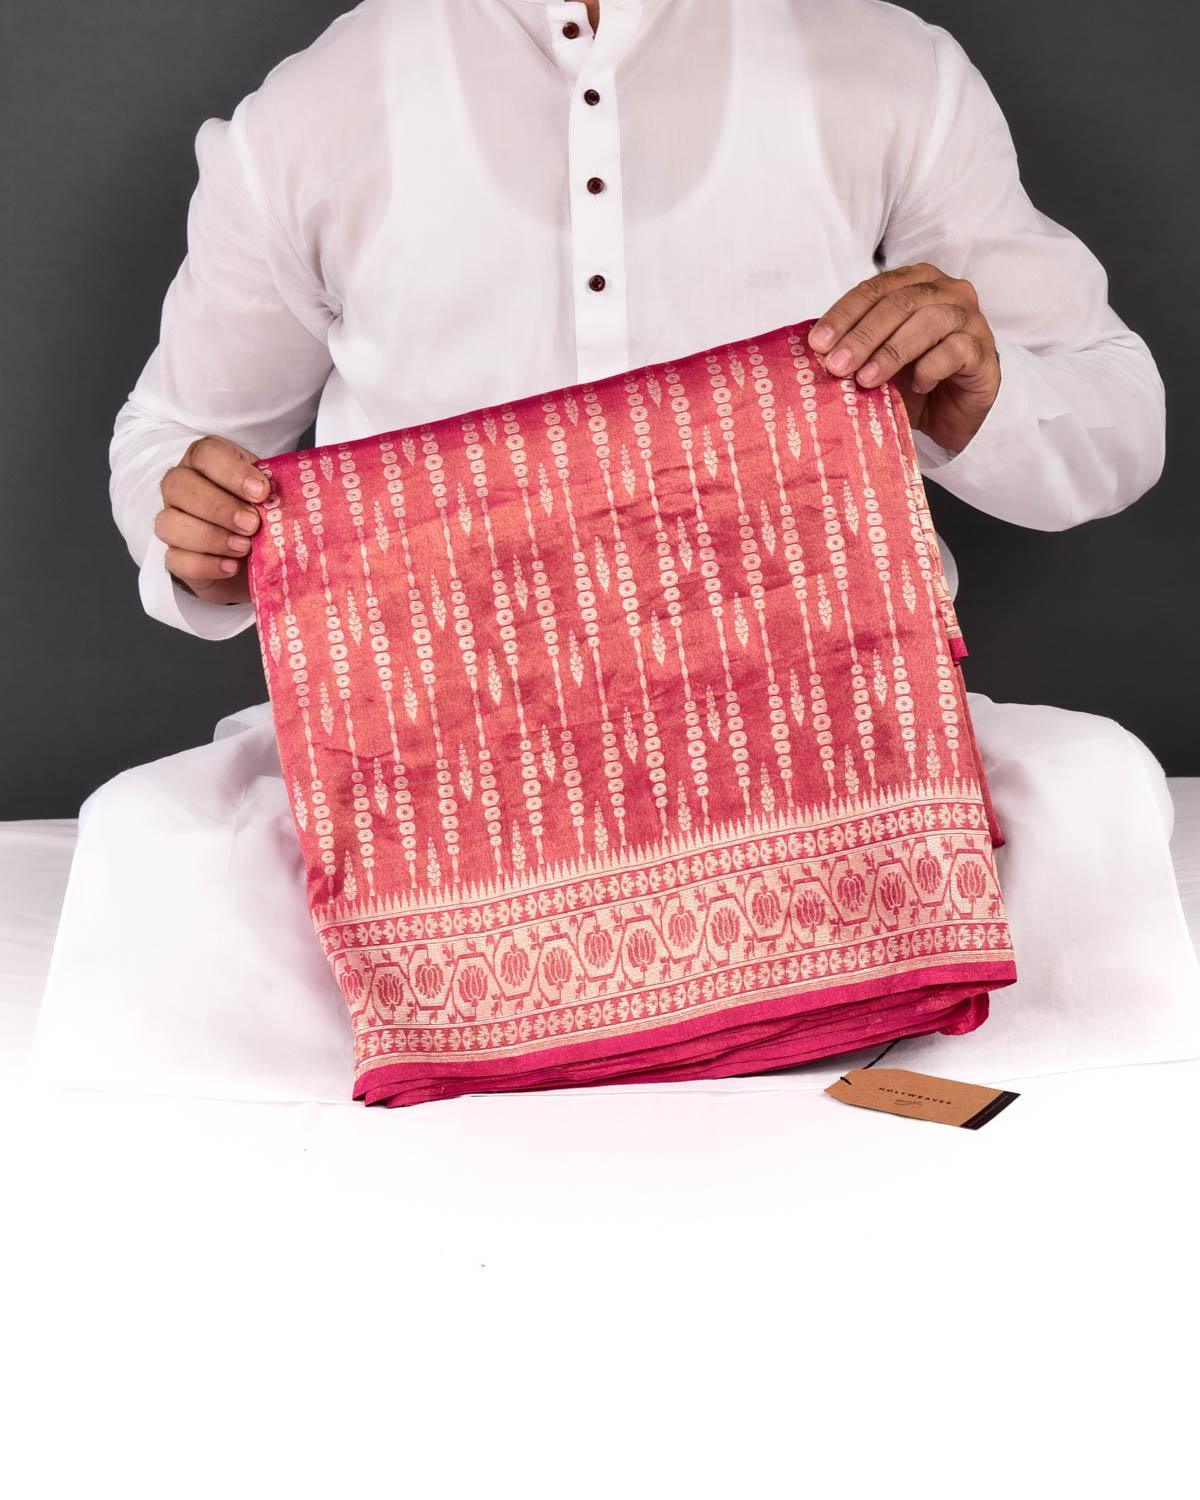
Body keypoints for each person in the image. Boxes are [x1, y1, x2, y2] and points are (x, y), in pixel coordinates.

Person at [35, 0, 1200, 1100]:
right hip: (442, 781)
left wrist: (983, 398)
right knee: (148, 850)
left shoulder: (885, 67)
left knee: (1097, 796)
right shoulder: (311, 115)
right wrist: (194, 532)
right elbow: (171, 434)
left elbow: (1117, 410)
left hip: (828, 745)